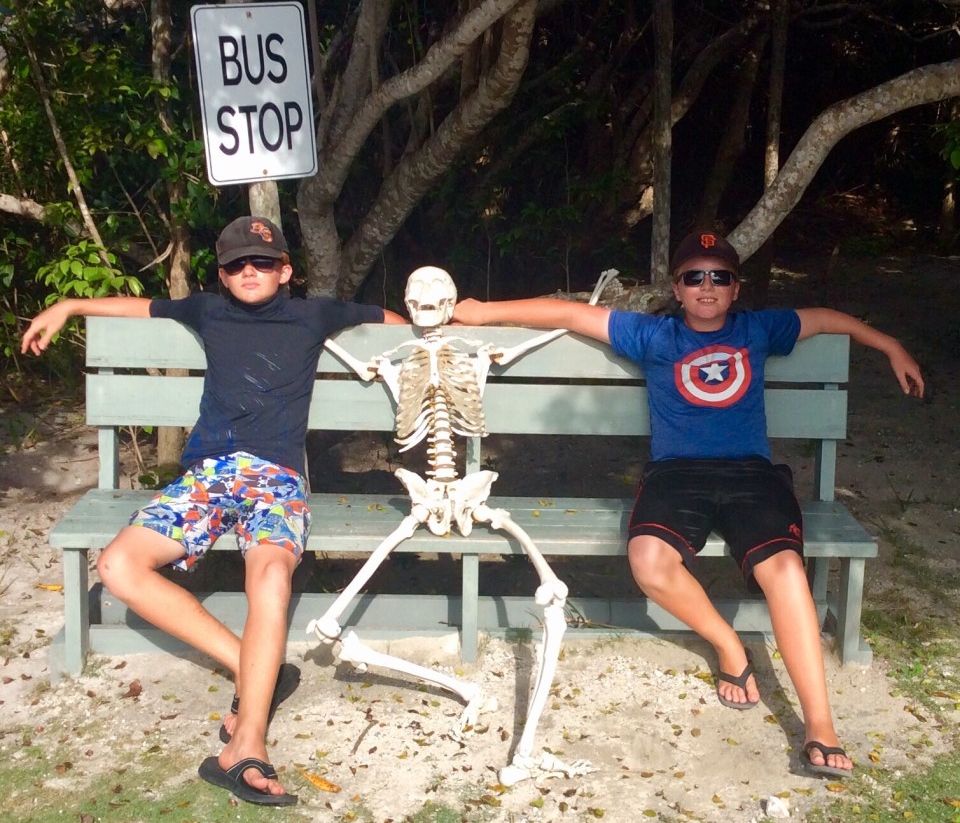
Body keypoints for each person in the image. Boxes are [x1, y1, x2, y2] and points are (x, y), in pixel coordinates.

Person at [453, 230, 925, 779]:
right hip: (678, 475)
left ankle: (820, 725)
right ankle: (730, 647)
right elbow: (569, 315)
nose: (707, 286)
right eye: (694, 276)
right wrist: (483, 311)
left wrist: (890, 344)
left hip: (751, 475)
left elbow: (823, 317)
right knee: (649, 561)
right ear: (677, 288)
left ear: (734, 287)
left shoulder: (758, 329)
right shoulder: (653, 334)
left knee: (788, 570)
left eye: (719, 276)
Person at [21, 216, 406, 806]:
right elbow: (140, 306)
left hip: (277, 479)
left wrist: (432, 333)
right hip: (209, 477)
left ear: (286, 270)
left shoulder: (316, 313)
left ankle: (246, 743)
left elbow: (393, 323)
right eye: (235, 264)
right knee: (119, 566)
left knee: (271, 574)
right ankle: (255, 665)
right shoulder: (204, 311)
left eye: (261, 262)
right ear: (222, 277)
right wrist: (69, 304)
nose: (248, 271)